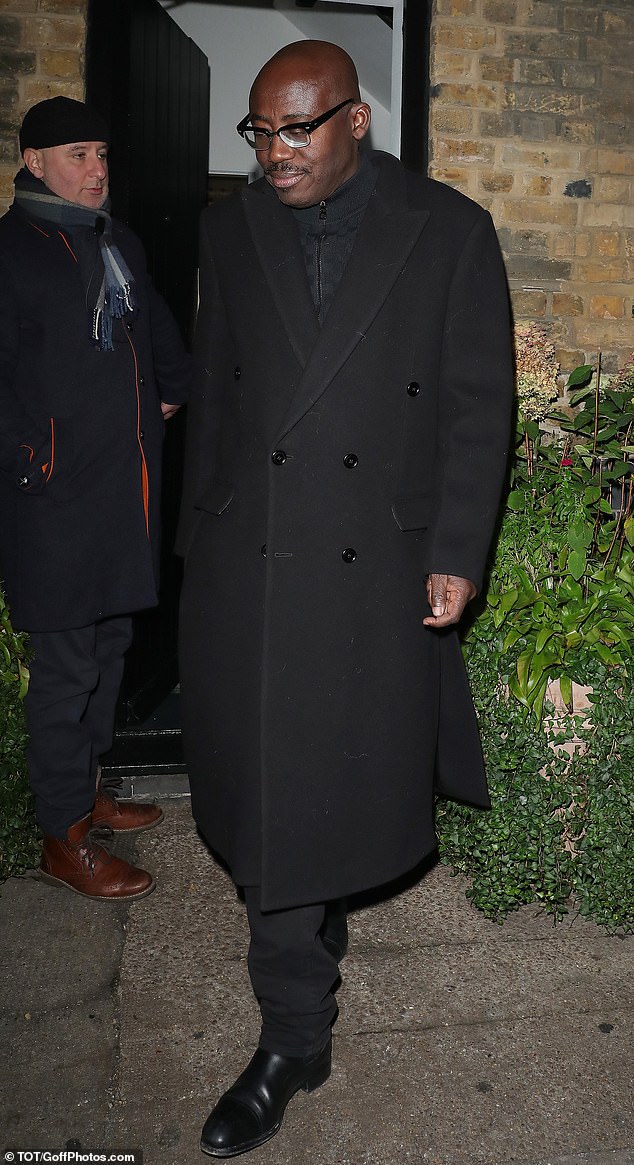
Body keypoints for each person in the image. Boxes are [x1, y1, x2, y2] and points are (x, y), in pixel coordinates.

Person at [178, 41, 513, 1157]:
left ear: (355, 122)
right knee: (273, 806)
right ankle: (293, 1032)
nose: (272, 153)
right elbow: (221, 403)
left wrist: (459, 551)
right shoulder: (228, 230)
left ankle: (298, 999)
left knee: (329, 787)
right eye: (258, 133)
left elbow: (475, 406)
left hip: (373, 563)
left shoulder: (449, 228)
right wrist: (199, 548)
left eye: (295, 132)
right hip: (255, 563)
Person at [0, 97, 191, 901]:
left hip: (123, 495)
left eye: (103, 155)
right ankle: (62, 834)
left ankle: (87, 792)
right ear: (35, 161)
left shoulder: (120, 243)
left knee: (111, 652)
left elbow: (155, 336)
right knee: (67, 671)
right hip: (51, 505)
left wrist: (171, 391)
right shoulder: (10, 251)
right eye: (78, 155)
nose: (97, 170)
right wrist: (30, 459)